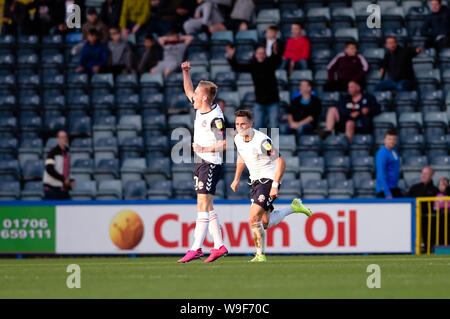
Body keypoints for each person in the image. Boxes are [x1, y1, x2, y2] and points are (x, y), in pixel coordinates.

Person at [230, 110, 312, 262]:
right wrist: (236, 178)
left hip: (268, 180)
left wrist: (275, 185)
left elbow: (281, 162)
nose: (240, 127)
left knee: (253, 217)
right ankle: (293, 207)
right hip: (254, 181)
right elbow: (241, 157)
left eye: (243, 124)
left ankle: (260, 254)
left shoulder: (262, 141)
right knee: (265, 223)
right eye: (237, 124)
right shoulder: (237, 138)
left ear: (251, 124)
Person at [177, 61, 229, 264]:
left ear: (205, 98)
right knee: (207, 206)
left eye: (197, 94)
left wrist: (204, 149)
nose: (193, 97)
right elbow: (188, 89)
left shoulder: (216, 118)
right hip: (201, 162)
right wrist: (186, 72)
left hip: (210, 163)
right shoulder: (200, 107)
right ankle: (218, 245)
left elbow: (225, 143)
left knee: (202, 203)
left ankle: (196, 247)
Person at [226, 43, 282, 130]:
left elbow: (278, 61)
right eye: (259, 53)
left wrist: (275, 52)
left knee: (274, 125)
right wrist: (231, 57)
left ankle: (275, 144)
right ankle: (260, 144)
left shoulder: (270, 63)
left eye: (263, 53)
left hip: (273, 101)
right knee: (258, 126)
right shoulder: (253, 65)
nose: (261, 55)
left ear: (265, 54)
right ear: (255, 55)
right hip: (259, 101)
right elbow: (237, 67)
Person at [43, 131, 74, 200]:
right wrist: (63, 179)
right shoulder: (52, 152)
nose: (64, 139)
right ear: (57, 139)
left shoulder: (68, 153)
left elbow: (68, 169)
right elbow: (49, 169)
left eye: (66, 137)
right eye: (62, 137)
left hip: (64, 189)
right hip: (52, 189)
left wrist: (70, 180)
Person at [375, 129, 401, 198]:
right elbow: (381, 174)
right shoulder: (382, 153)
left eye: (394, 139)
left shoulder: (395, 151)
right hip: (385, 190)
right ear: (385, 140)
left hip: (394, 187)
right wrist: (387, 193)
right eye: (389, 139)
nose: (392, 141)